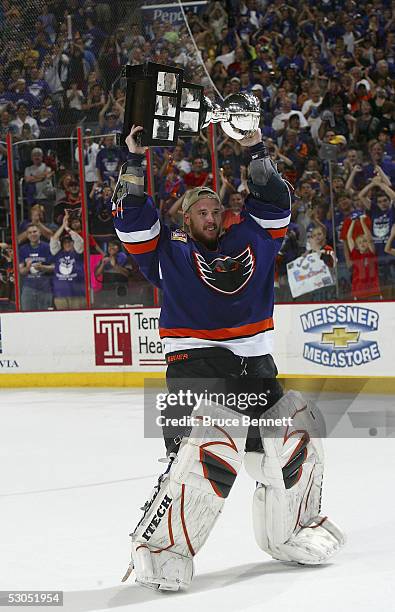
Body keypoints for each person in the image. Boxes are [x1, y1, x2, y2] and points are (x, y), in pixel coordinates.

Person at [112, 125, 345, 591]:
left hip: (255, 366)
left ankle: (291, 530)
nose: (211, 214)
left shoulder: (255, 240)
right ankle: (161, 550)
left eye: (216, 208)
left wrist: (255, 148)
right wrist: (134, 160)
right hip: (193, 365)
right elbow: (133, 219)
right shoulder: (166, 255)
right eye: (200, 210)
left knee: (294, 431)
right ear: (184, 219)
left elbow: (275, 202)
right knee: (205, 446)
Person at [49, 212, 86, 310]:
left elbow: (80, 241)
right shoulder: (57, 253)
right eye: (65, 242)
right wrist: (63, 226)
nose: (67, 244)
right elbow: (53, 240)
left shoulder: (78, 252)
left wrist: (68, 229)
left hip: (78, 294)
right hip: (60, 294)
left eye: (69, 241)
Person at [19, 223, 53, 311]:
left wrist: (43, 267)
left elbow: (55, 267)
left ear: (40, 233)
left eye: (35, 231)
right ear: (27, 235)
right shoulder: (22, 249)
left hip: (45, 288)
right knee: (27, 316)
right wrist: (27, 268)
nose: (32, 234)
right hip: (28, 288)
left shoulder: (47, 247)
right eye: (29, 232)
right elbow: (21, 271)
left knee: (45, 316)